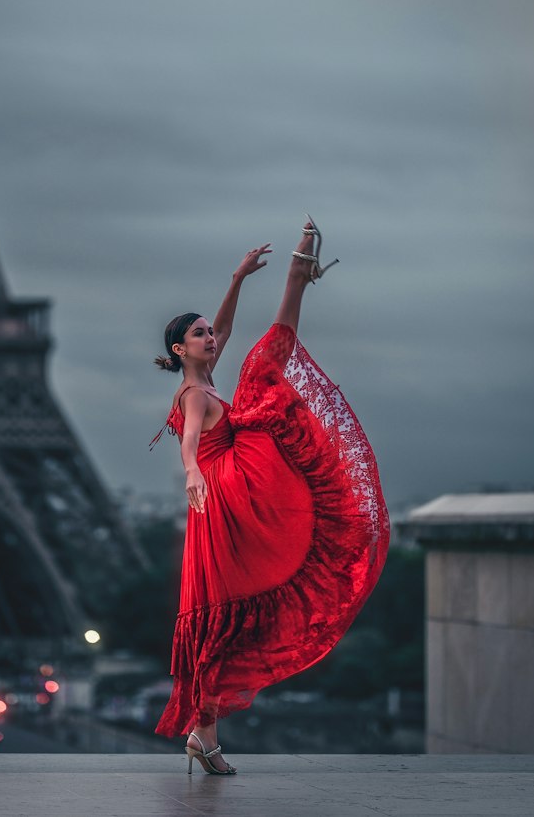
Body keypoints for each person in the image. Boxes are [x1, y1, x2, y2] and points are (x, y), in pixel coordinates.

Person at [150, 217, 389, 774]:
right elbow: (188, 441)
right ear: (179, 349)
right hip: (222, 496)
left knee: (223, 624)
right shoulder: (193, 391)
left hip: (225, 493)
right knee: (265, 373)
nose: (212, 338)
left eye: (210, 332)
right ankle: (296, 277)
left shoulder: (205, 377)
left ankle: (202, 734)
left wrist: (236, 280)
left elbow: (228, 327)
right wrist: (189, 472)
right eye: (201, 335)